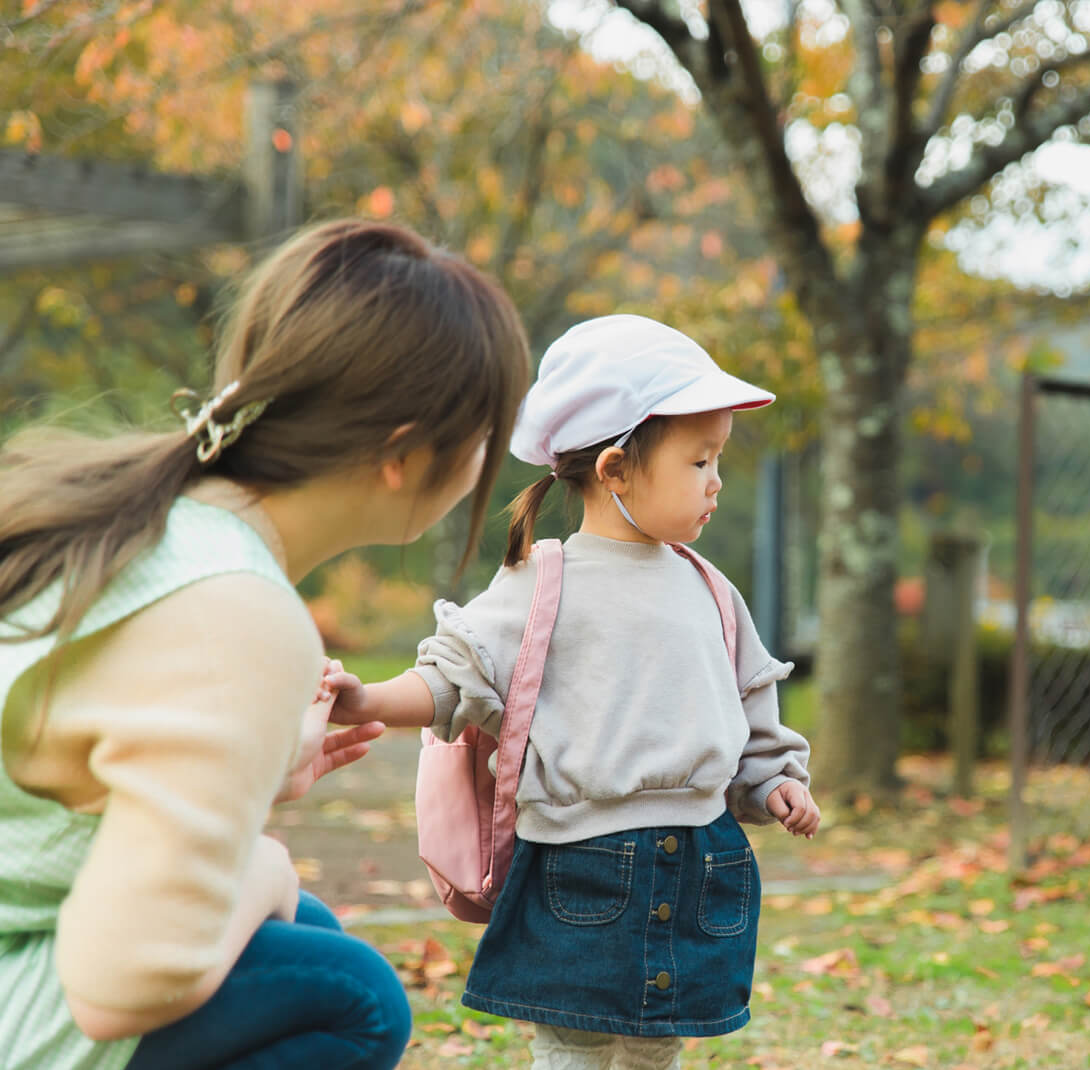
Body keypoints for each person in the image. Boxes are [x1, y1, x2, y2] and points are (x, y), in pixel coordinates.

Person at [0, 218, 532, 1070]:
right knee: (349, 991)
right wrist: (268, 866)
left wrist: (251, 777)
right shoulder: (236, 609)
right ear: (404, 455)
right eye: (480, 438)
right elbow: (119, 986)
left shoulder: (154, 524)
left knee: (306, 937)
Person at [325, 313, 819, 1070]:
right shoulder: (544, 580)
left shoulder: (711, 590)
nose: (716, 480)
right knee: (572, 1045)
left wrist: (776, 783)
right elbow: (454, 679)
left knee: (659, 1043)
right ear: (616, 468)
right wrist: (366, 701)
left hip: (702, 859)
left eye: (718, 459)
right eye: (699, 461)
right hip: (579, 864)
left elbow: (751, 715)